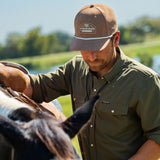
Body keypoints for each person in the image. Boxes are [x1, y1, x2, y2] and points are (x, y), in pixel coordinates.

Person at [1, 3, 160, 160]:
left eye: (97, 48)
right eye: (84, 47)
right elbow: (35, 87)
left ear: (116, 39)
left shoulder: (144, 80)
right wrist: (5, 73)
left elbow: (157, 135)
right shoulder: (75, 68)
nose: (91, 57)